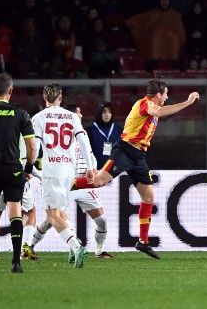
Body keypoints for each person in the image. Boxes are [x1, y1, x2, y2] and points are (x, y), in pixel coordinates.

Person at [70, 79, 200, 258]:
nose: (167, 97)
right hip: (124, 151)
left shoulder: (152, 107)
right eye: (166, 94)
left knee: (148, 196)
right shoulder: (145, 104)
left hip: (138, 156)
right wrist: (188, 102)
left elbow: (160, 112)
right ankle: (66, 184)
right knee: (98, 182)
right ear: (158, 95)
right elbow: (160, 111)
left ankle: (143, 241)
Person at [29, 104, 113, 259]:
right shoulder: (64, 133)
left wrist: (94, 170)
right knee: (52, 218)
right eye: (78, 113)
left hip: (83, 184)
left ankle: (99, 250)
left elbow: (90, 156)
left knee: (102, 221)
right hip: (66, 182)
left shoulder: (83, 133)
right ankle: (29, 247)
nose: (80, 115)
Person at [29, 84, 93, 269]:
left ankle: (76, 246)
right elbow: (83, 140)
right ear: (61, 97)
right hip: (69, 171)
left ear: (44, 96)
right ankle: (74, 248)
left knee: (51, 214)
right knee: (58, 212)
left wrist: (30, 165)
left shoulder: (39, 117)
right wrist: (89, 168)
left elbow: (37, 145)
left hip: (52, 170)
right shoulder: (72, 116)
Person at [0, 73, 38, 274]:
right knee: (15, 211)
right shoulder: (20, 114)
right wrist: (29, 166)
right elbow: (32, 146)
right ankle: (15, 262)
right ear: (11, 91)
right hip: (13, 169)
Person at [86, 102, 123, 172]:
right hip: (96, 171)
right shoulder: (90, 130)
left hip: (114, 172)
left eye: (110, 112)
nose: (107, 115)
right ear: (99, 113)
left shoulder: (118, 129)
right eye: (104, 111)